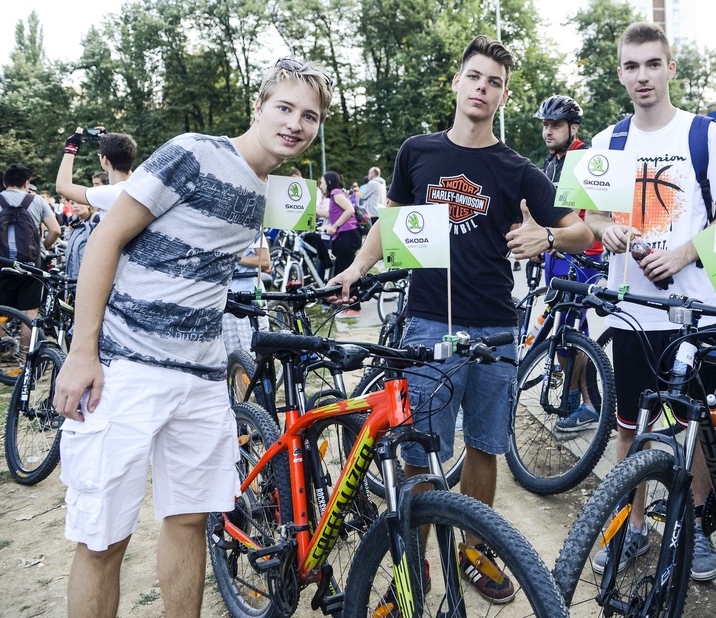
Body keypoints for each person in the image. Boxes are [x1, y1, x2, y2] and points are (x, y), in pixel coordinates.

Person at [52, 57, 332, 618]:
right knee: (104, 538)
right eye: (284, 108)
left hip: (202, 380)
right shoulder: (194, 151)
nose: (296, 124)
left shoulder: (268, 188)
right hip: (128, 368)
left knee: (189, 522)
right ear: (257, 106)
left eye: (310, 116)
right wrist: (83, 351)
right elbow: (107, 238)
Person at [329, 35, 592, 602]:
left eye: (494, 82)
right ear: (457, 81)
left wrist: (546, 234)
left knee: (485, 446)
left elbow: (582, 230)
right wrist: (354, 267)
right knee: (422, 449)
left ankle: (474, 547)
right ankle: (414, 563)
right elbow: (389, 222)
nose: (483, 88)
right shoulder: (417, 152)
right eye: (475, 77)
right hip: (427, 323)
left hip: (495, 327)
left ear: (503, 95)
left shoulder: (517, 169)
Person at [586, 21, 716, 582]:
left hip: (695, 311)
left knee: (692, 427)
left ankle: (693, 527)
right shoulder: (607, 143)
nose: (643, 76)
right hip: (632, 313)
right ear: (620, 73)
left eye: (653, 64)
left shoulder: (705, 136)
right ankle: (632, 528)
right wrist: (606, 229)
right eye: (632, 66)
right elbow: (592, 215)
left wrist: (682, 256)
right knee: (630, 427)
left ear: (671, 68)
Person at [535, 94, 606, 431]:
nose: (548, 131)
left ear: (573, 127)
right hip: (557, 255)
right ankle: (577, 399)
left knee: (572, 330)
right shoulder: (554, 161)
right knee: (566, 329)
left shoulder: (583, 159)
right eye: (545, 124)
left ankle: (586, 405)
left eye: (556, 125)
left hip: (581, 258)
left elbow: (583, 215)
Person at [0, 164, 62, 320]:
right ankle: (27, 345)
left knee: (2, 312)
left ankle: (5, 345)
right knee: (29, 311)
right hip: (32, 262)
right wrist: (42, 248)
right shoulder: (37, 200)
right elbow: (55, 230)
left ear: (5, 183)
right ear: (26, 183)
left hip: (3, 263)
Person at [55, 128, 138, 215]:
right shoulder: (137, 185)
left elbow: (62, 187)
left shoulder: (110, 193)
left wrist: (71, 147)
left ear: (105, 160)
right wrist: (110, 144)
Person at [320, 170, 362, 316]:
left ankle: (355, 308)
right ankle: (343, 304)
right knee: (340, 271)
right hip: (345, 236)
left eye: (322, 182)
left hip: (347, 235)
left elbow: (349, 210)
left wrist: (335, 226)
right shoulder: (336, 195)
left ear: (329, 182)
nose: (320, 185)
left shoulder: (335, 193)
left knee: (348, 272)